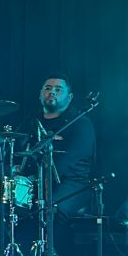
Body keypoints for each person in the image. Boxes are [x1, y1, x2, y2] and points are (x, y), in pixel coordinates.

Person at [34, 76, 95, 219]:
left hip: (72, 183)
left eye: (58, 90)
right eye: (48, 88)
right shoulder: (31, 122)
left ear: (69, 97)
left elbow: (68, 161)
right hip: (36, 182)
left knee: (50, 212)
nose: (52, 92)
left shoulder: (80, 123)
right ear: (40, 94)